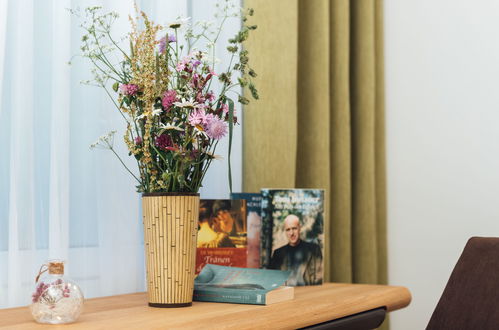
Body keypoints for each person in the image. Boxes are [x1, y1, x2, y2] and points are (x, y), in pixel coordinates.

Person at [268, 214, 323, 286]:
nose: (291, 233)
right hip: (286, 295)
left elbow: (318, 279)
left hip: (307, 294)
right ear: (285, 231)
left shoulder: (314, 250)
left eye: (294, 228)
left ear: (299, 228)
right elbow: (273, 281)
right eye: (288, 230)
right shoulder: (277, 254)